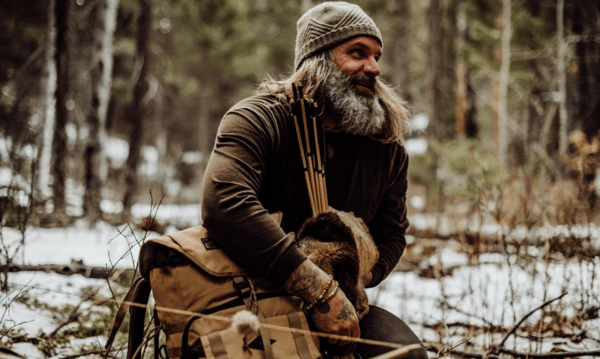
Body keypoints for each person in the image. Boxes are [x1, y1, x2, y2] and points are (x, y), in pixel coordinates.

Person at [201, 2, 427, 358]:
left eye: (376, 56)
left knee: (405, 354)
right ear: (318, 58)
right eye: (357, 53)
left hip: (342, 301)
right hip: (249, 299)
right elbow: (224, 203)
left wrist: (354, 279)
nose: (374, 67)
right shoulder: (257, 119)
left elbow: (392, 233)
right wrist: (318, 288)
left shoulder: (385, 146)